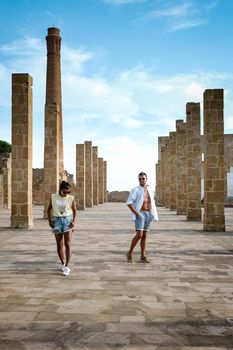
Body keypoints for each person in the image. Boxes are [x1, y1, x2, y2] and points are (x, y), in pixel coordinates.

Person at [126, 172, 158, 263]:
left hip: (149, 214)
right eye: (140, 179)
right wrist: (136, 213)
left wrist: (152, 213)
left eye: (143, 178)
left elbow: (152, 201)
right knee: (139, 235)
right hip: (140, 214)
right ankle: (130, 252)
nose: (141, 180)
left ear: (146, 179)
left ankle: (143, 256)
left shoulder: (150, 189)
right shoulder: (135, 190)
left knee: (144, 235)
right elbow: (129, 203)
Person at [47, 181, 76, 276]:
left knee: (68, 243)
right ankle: (63, 264)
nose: (66, 194)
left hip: (68, 221)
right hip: (57, 221)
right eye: (64, 192)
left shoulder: (71, 198)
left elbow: (74, 210)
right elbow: (49, 209)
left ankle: (67, 266)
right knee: (59, 244)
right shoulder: (53, 197)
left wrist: (73, 222)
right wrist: (50, 221)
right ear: (60, 189)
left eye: (68, 192)